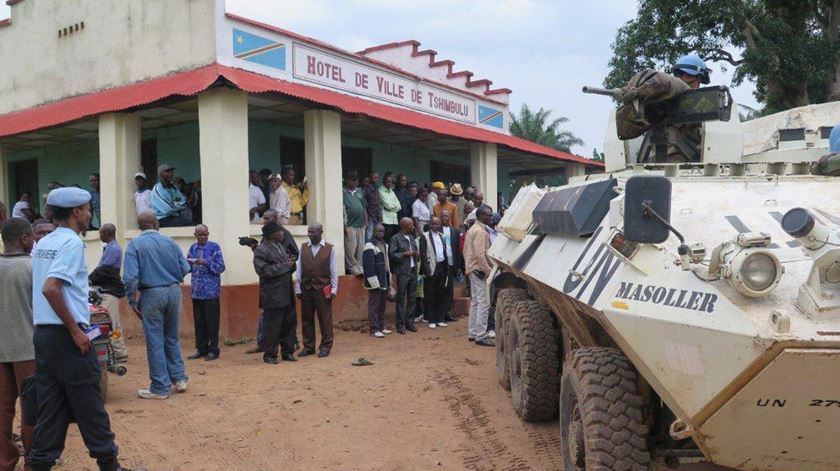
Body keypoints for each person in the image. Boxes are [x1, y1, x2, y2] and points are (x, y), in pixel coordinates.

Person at [29, 188, 145, 471]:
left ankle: (39, 463)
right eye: (87, 208)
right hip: (66, 335)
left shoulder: (43, 243)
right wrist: (76, 331)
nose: (90, 213)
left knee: (52, 404)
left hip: (44, 335)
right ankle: (110, 465)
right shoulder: (71, 244)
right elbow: (50, 288)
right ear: (75, 212)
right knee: (89, 401)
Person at [124, 212, 191, 400]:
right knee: (172, 338)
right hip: (173, 291)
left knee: (155, 340)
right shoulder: (170, 242)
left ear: (140, 226)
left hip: (151, 293)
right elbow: (185, 268)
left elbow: (130, 278)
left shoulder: (135, 245)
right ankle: (179, 379)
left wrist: (132, 300)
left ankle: (160, 387)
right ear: (156, 224)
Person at [0, 218, 35, 471]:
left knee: (2, 409)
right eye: (32, 237)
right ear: (23, 239)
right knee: (32, 408)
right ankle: (34, 461)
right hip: (28, 349)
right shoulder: (32, 267)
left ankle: (5, 462)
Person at [244, 210, 299, 355]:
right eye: (279, 231)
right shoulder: (261, 250)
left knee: (289, 324)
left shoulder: (281, 247)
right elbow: (264, 271)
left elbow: (290, 264)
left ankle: (287, 352)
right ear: (271, 235)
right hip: (272, 295)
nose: (282, 233)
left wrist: (292, 265)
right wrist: (286, 266)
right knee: (272, 327)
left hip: (286, 292)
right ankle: (270, 354)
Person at [295, 223, 338, 358]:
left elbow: (333, 270)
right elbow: (299, 268)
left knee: (324, 319)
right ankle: (308, 346)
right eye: (309, 231)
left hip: (322, 288)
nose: (310, 234)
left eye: (313, 232)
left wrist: (334, 289)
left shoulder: (330, 249)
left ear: (321, 232)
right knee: (306, 318)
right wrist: (298, 287)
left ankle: (326, 346)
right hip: (306, 288)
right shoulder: (303, 247)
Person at [88, 223, 128, 362]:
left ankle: (114, 352)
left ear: (106, 233)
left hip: (109, 291)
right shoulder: (111, 248)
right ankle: (119, 351)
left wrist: (89, 278)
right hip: (109, 290)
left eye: (101, 233)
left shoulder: (113, 248)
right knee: (115, 323)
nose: (99, 235)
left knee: (108, 322)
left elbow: (105, 270)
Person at [186, 225, 226, 362]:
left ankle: (213, 350)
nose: (203, 237)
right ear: (195, 235)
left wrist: (206, 262)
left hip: (211, 292)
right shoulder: (192, 248)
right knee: (199, 322)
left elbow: (221, 267)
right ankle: (201, 349)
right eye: (200, 235)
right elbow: (188, 266)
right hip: (197, 292)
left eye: (205, 235)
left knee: (212, 322)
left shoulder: (214, 247)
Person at [464, 205, 495, 347]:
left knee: (476, 301)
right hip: (479, 270)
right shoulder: (480, 232)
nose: (491, 217)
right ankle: (481, 335)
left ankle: (473, 333)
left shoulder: (473, 229)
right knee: (484, 303)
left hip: (472, 269)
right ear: (481, 216)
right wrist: (488, 270)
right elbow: (480, 254)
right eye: (488, 215)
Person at [389, 217, 419, 334]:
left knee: (412, 298)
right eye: (411, 225)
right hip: (402, 272)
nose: (413, 227)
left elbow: (415, 251)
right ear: (404, 226)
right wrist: (405, 253)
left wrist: (417, 254)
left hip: (412, 271)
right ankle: (400, 324)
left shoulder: (412, 238)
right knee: (401, 299)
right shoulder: (395, 239)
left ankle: (409, 322)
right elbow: (392, 255)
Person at [419, 217, 449, 329]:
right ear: (430, 225)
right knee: (430, 294)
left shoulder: (442, 236)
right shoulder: (425, 236)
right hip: (431, 268)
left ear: (439, 224)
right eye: (432, 224)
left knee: (440, 293)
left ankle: (440, 319)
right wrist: (427, 271)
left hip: (442, 267)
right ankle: (431, 319)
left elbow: (444, 252)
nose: (435, 226)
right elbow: (422, 254)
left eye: (437, 224)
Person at [362, 224, 391, 338]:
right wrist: (374, 283)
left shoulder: (385, 245)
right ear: (373, 232)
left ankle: (381, 327)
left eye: (382, 232)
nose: (380, 233)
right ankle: (374, 329)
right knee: (374, 306)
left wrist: (389, 280)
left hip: (384, 279)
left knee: (382, 305)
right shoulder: (369, 246)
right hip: (375, 281)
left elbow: (387, 263)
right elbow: (368, 266)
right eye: (378, 231)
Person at [440, 209, 462, 322]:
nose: (444, 218)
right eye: (442, 216)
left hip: (451, 264)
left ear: (450, 218)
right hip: (439, 265)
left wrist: (458, 266)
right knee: (439, 289)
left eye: (446, 216)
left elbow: (458, 250)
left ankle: (448, 313)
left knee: (449, 289)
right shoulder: (436, 230)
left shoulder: (455, 231)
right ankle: (439, 314)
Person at [342, 171, 366, 275]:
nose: (355, 182)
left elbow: (364, 208)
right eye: (352, 180)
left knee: (360, 247)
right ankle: (352, 267)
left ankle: (359, 266)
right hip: (350, 225)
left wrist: (366, 223)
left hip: (361, 225)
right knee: (351, 247)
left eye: (356, 180)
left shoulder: (359, 192)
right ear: (347, 180)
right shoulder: (342, 192)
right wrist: (344, 226)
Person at [379, 172, 401, 243]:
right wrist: (393, 208)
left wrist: (391, 209)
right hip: (386, 220)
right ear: (384, 182)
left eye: (391, 182)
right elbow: (387, 205)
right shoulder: (380, 190)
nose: (389, 183)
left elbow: (399, 206)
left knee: (393, 240)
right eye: (388, 182)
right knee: (386, 240)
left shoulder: (392, 192)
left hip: (394, 219)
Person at [363, 171, 381, 241]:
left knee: (376, 233)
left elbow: (377, 201)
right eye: (374, 177)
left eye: (377, 178)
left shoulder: (376, 187)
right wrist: (367, 214)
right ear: (370, 178)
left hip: (376, 214)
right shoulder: (366, 188)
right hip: (369, 214)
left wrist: (379, 213)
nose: (376, 179)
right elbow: (364, 202)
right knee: (369, 233)